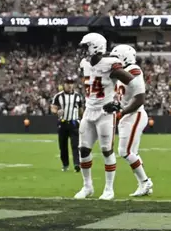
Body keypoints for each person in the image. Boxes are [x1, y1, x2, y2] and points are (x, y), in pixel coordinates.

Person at [74, 33, 136, 200]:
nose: (84, 51)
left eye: (86, 46)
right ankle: (87, 186)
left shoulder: (111, 64)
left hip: (105, 113)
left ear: (95, 46)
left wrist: (119, 103)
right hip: (89, 110)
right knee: (83, 149)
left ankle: (109, 189)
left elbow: (132, 81)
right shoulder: (85, 63)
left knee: (106, 151)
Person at [107, 44, 153, 197]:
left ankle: (145, 182)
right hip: (128, 114)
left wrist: (122, 112)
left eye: (115, 57)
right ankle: (144, 183)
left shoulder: (133, 69)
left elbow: (140, 98)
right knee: (131, 152)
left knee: (125, 152)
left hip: (135, 114)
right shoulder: (123, 74)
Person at [51, 76, 83, 172]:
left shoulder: (78, 96)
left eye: (71, 83)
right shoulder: (58, 96)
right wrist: (56, 112)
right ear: (64, 85)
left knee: (76, 145)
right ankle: (65, 164)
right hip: (63, 123)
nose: (69, 85)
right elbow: (53, 107)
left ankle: (77, 164)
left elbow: (81, 110)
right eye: (67, 83)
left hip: (74, 123)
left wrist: (82, 119)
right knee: (63, 146)